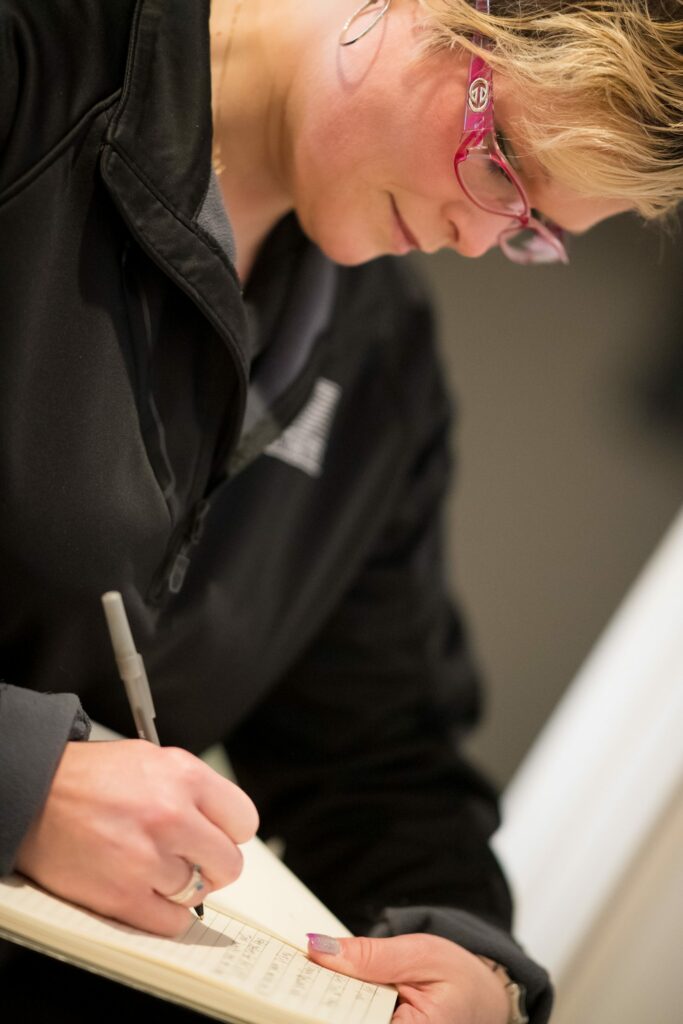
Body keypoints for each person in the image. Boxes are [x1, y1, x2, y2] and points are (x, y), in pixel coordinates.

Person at [0, 0, 681, 1021]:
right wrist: (21, 779)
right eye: (502, 165)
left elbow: (376, 756)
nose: (476, 233)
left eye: (534, 233)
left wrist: (468, 957)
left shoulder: (378, 365)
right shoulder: (36, 63)